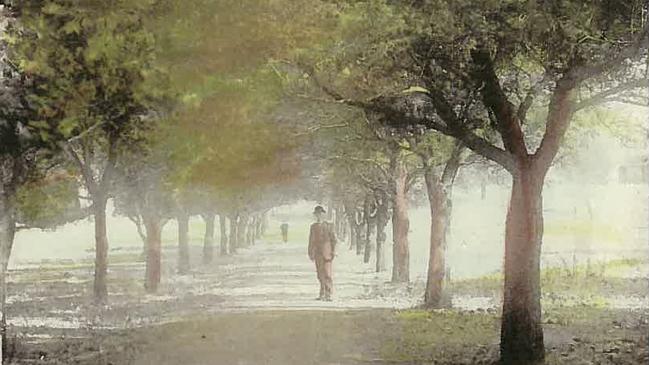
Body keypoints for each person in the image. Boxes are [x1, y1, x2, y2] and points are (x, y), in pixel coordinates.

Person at [308, 205, 337, 301]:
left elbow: (334, 240)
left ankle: (328, 294)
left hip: (327, 253)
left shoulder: (329, 226)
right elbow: (311, 240)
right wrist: (310, 252)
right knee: (320, 274)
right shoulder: (313, 227)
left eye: (320, 214)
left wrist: (333, 251)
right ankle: (322, 293)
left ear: (323, 214)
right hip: (317, 253)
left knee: (327, 273)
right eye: (317, 214)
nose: (319, 216)